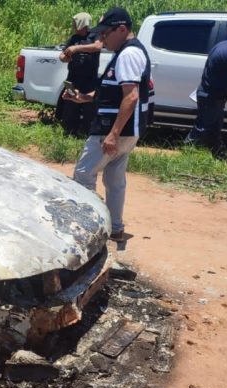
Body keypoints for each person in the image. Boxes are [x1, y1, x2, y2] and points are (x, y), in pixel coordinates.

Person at [63, 7, 152, 241]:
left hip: (112, 130)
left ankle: (89, 228)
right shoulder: (126, 52)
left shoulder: (128, 54)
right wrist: (82, 97)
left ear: (122, 29)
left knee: (83, 174)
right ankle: (115, 227)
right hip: (128, 131)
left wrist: (113, 133)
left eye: (105, 33)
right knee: (114, 179)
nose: (101, 38)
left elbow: (131, 96)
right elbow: (111, 93)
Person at [185, 21, 227, 157]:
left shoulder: (224, 45)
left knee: (214, 129)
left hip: (212, 96)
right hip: (212, 97)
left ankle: (218, 155)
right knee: (202, 128)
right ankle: (187, 153)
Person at [58, 12, 101, 136]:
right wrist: (64, 57)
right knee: (70, 106)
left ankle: (86, 133)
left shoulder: (95, 35)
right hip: (72, 79)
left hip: (89, 81)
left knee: (88, 107)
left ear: (82, 23)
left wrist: (76, 49)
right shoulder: (73, 38)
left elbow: (97, 46)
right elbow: (62, 54)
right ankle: (70, 132)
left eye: (75, 22)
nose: (73, 25)